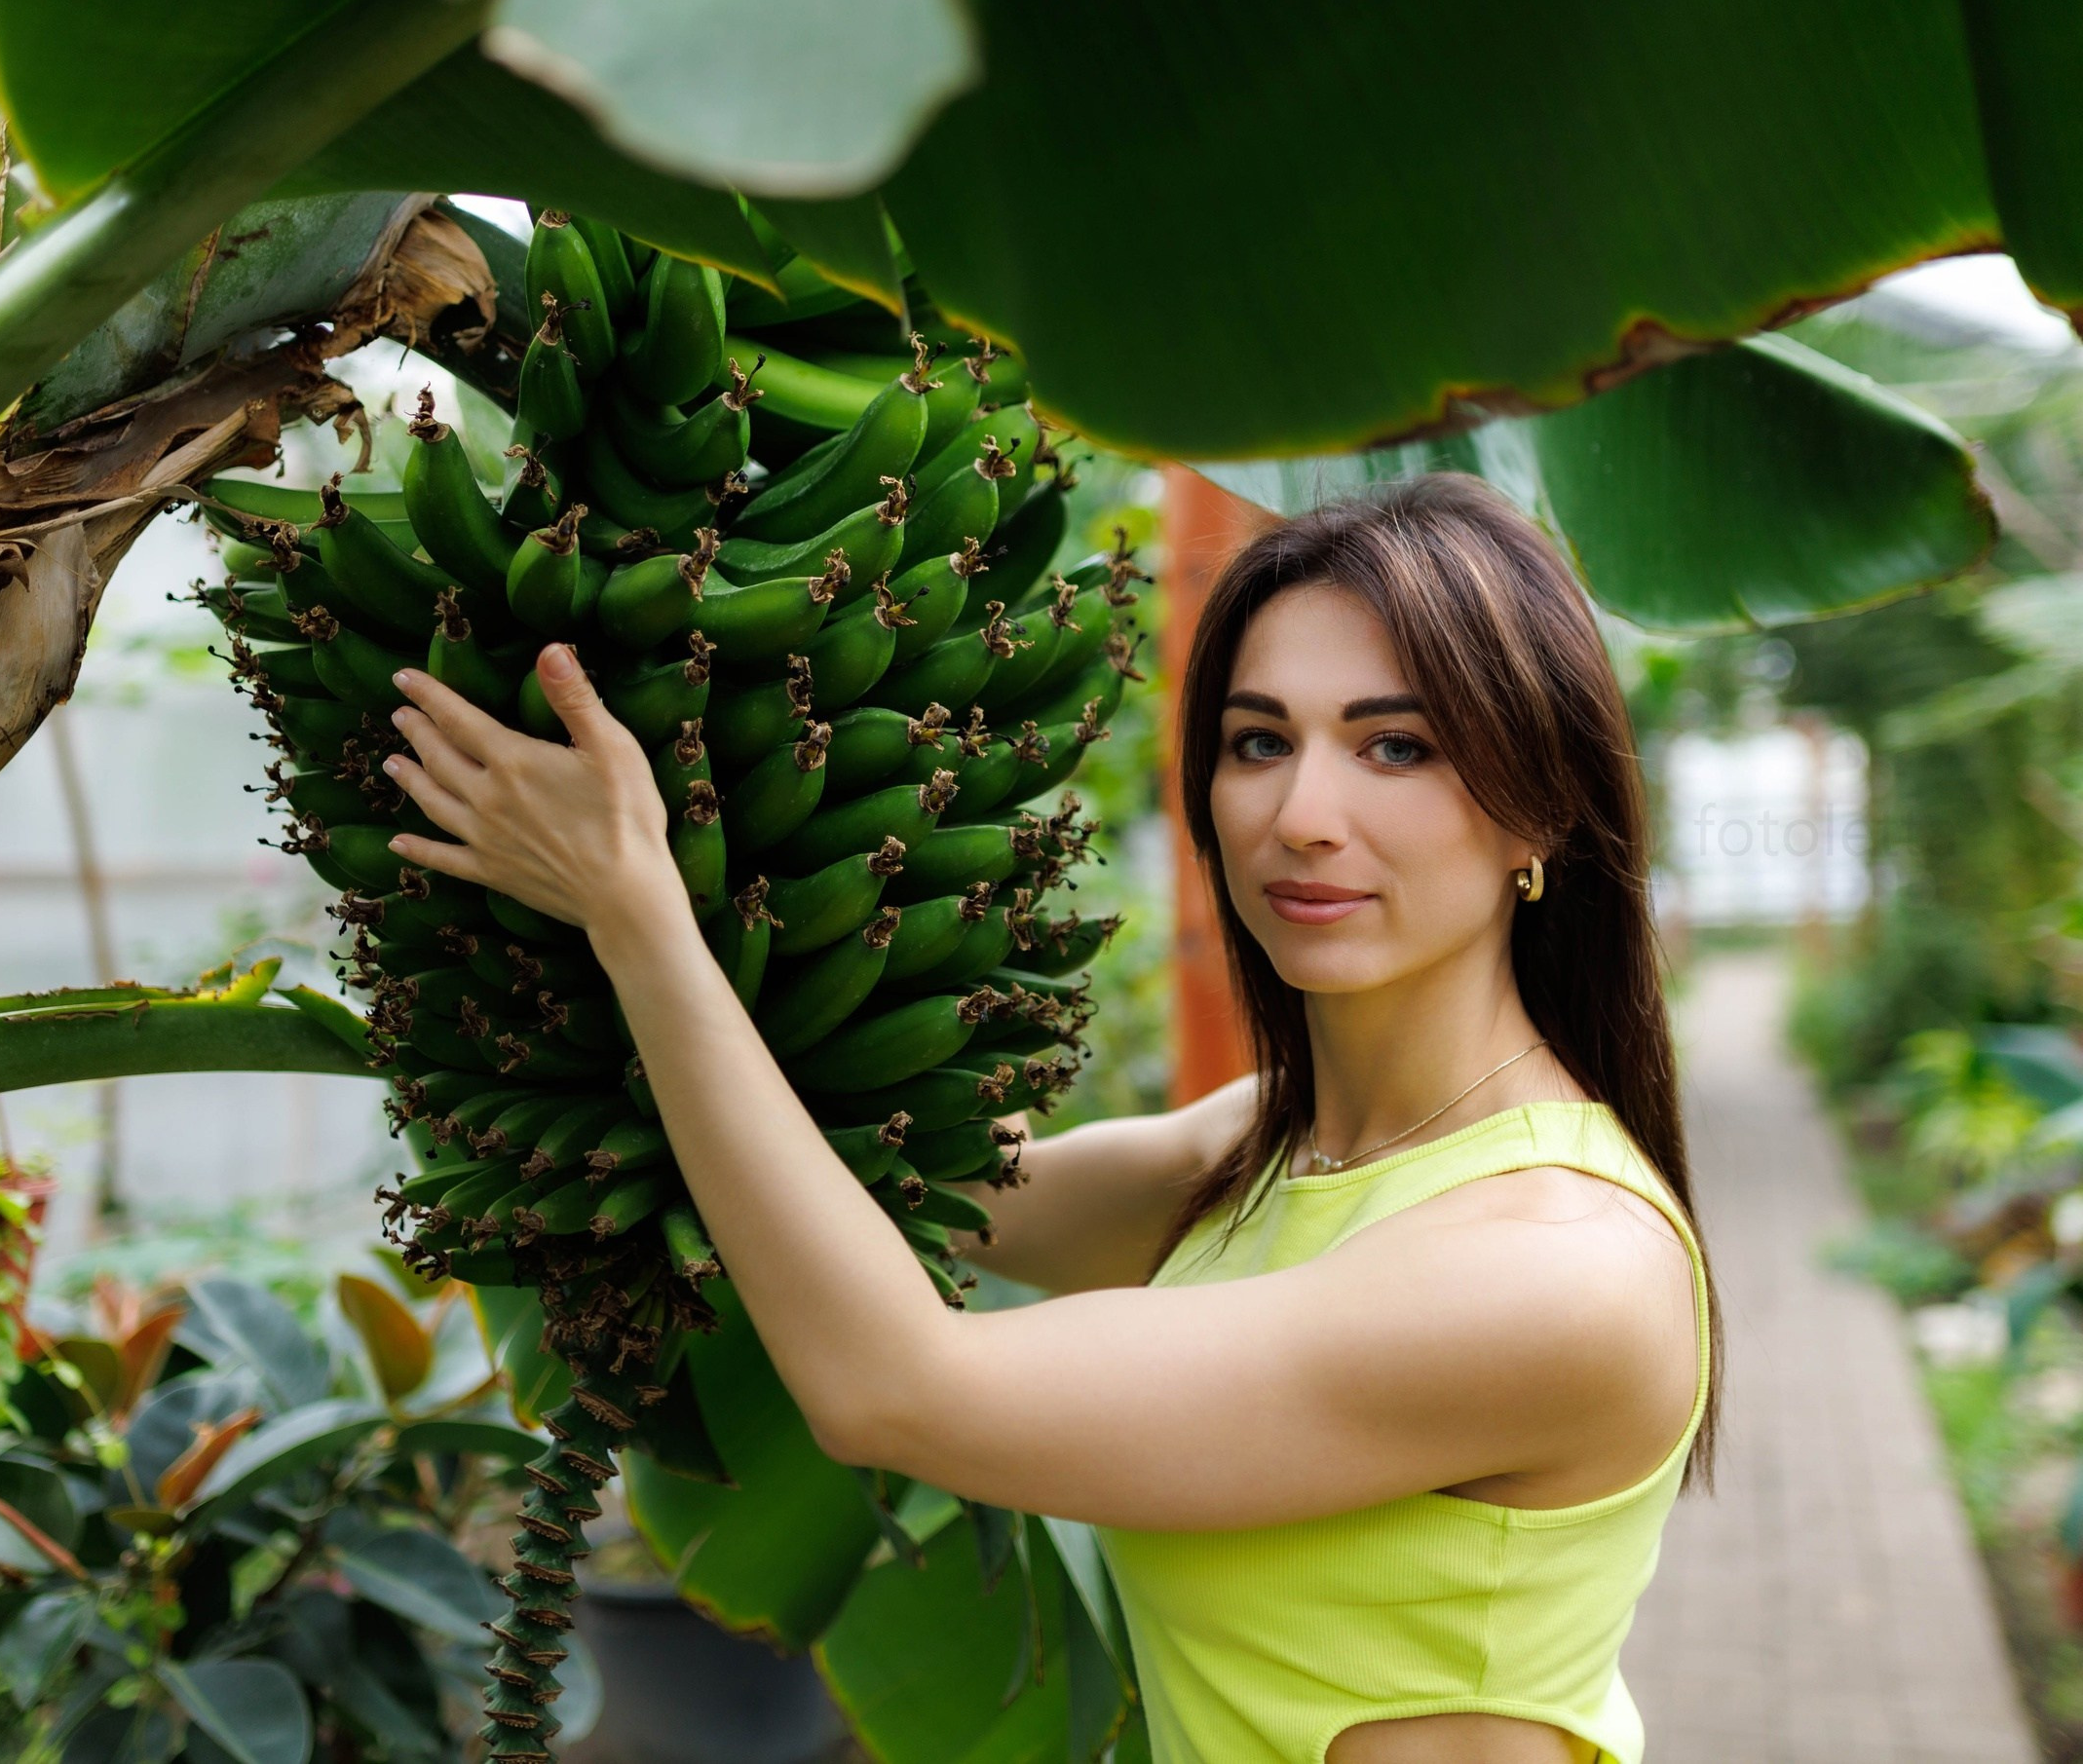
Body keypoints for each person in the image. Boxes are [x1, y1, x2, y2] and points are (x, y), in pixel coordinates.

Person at [375, 472, 1720, 1764]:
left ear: (1540, 807)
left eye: (1396, 746)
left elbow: (896, 1389)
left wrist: (639, 913)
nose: (1305, 816)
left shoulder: (1561, 1272)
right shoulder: (1269, 1150)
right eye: (1261, 742)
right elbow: (897, 1182)